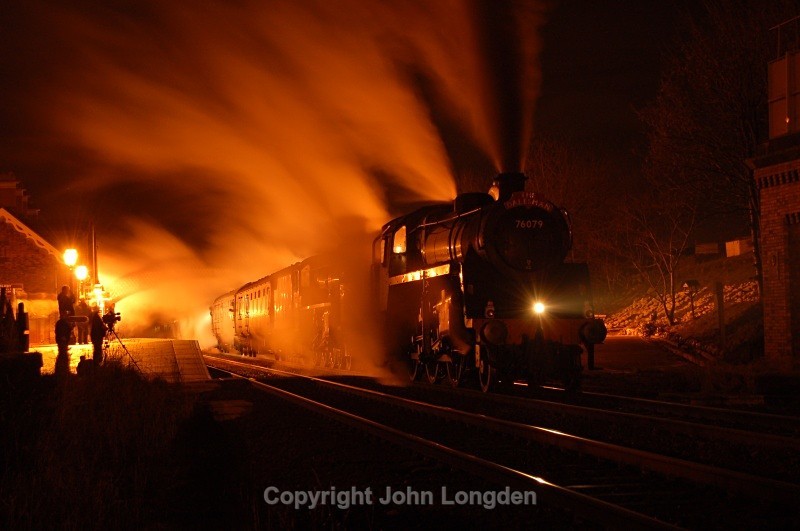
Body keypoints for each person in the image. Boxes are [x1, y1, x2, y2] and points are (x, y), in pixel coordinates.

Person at [55, 311, 72, 377]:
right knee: (63, 354)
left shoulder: (60, 322)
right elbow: (63, 331)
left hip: (62, 340)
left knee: (62, 353)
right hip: (62, 340)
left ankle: (62, 369)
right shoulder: (62, 323)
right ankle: (63, 370)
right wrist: (63, 337)